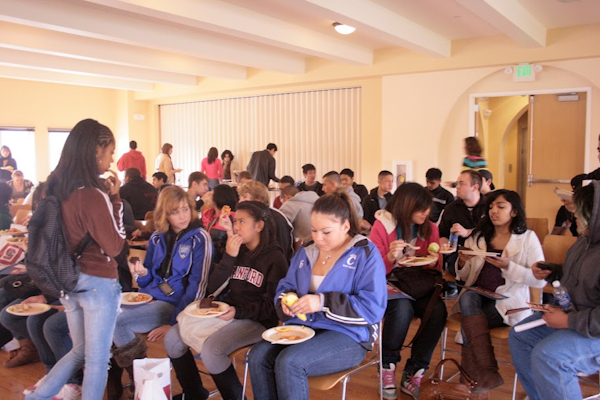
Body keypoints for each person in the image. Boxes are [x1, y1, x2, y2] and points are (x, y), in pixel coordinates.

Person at [249, 191, 386, 400]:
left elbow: (372, 309)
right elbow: (286, 286)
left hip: (349, 334)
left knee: (290, 362)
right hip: (305, 327)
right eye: (313, 230)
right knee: (258, 356)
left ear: (346, 226)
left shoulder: (364, 253)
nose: (318, 238)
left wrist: (321, 303)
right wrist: (285, 300)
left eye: (326, 232)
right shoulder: (307, 252)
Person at [26, 118, 126, 400]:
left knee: (80, 351)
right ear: (96, 150)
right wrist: (115, 199)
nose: (111, 160)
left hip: (67, 280)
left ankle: (37, 396)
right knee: (97, 361)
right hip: (97, 283)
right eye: (110, 152)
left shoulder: (51, 188)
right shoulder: (93, 195)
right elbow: (116, 245)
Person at [166, 201, 288, 400]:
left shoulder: (275, 258)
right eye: (235, 220)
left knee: (212, 351)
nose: (236, 226)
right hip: (229, 313)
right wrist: (229, 257)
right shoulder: (236, 249)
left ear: (259, 226)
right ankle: (194, 393)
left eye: (242, 221)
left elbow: (272, 307)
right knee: (172, 338)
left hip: (257, 321)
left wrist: (238, 312)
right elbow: (212, 288)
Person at [110, 186, 213, 397]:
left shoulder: (199, 237)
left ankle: (141, 380)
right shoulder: (157, 237)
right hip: (152, 299)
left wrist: (175, 322)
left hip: (176, 305)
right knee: (108, 315)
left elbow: (198, 285)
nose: (182, 216)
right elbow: (149, 279)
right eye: (175, 212)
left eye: (185, 209)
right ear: (165, 214)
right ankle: (143, 380)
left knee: (117, 322)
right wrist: (141, 274)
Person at [509, 181, 600, 400]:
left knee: (550, 356)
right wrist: (553, 271)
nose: (573, 214)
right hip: (576, 316)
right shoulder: (584, 241)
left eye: (578, 210)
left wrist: (568, 321)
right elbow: (580, 276)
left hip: (592, 328)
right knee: (520, 337)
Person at [454, 189, 545, 393]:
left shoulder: (527, 238)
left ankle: (471, 382)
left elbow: (538, 280)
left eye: (501, 207)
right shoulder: (478, 236)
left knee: (470, 327)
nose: (494, 211)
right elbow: (464, 276)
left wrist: (508, 266)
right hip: (478, 294)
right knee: (468, 296)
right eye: (491, 207)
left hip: (508, 300)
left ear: (514, 212)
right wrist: (462, 262)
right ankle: (486, 373)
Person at [370, 182, 446, 399]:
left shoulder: (430, 227)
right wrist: (391, 257)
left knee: (437, 311)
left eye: (427, 207)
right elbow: (373, 270)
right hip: (390, 282)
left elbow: (436, 264)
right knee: (401, 309)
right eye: (420, 208)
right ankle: (387, 366)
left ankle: (415, 369)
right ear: (405, 206)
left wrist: (433, 261)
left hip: (418, 283)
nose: (426, 212)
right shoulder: (382, 226)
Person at [439, 170, 488, 298]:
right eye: (457, 183)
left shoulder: (489, 207)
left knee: (484, 269)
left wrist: (468, 232)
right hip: (458, 254)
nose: (457, 187)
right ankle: (465, 297)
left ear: (475, 187)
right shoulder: (451, 208)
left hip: (485, 253)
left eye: (461, 183)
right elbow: (442, 234)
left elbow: (492, 231)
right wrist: (445, 245)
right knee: (460, 266)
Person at [238, 181, 294, 262]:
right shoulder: (248, 218)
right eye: (240, 197)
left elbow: (282, 250)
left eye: (244, 197)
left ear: (259, 199)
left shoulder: (277, 218)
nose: (240, 201)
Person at [202, 184, 238, 263]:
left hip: (220, 260)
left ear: (218, 198)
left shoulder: (230, 217)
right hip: (204, 257)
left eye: (211, 195)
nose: (208, 197)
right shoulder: (207, 214)